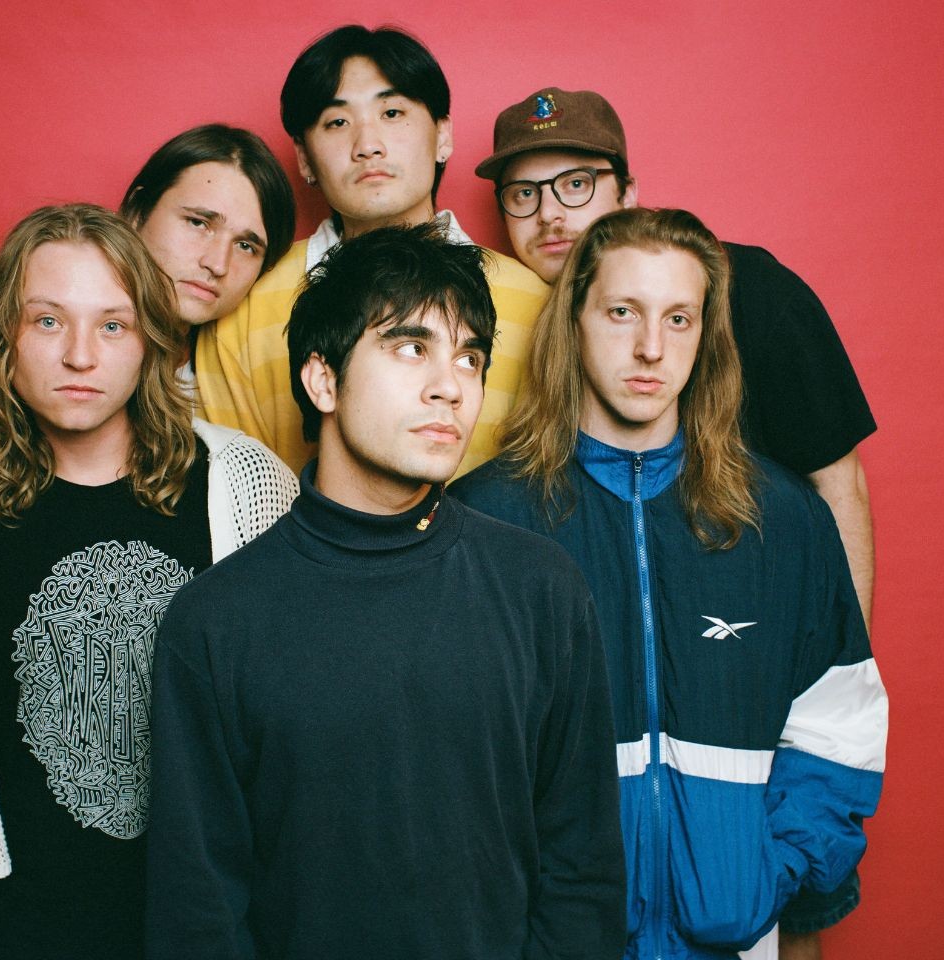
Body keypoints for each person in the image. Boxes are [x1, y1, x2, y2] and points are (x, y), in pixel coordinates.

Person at [146, 223, 626, 959]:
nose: (452, 385)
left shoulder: (543, 590)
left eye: (471, 357)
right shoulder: (215, 622)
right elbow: (199, 910)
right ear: (323, 379)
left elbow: (583, 868)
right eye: (411, 347)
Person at [451, 208, 887, 960]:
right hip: (553, 940)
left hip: (732, 934)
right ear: (575, 322)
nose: (651, 348)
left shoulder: (782, 521)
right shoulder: (483, 521)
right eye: (622, 312)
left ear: (706, 337)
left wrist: (767, 873)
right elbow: (447, 755)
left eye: (679, 319)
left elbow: (839, 727)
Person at [0, 204, 297, 960]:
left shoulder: (244, 486)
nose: (80, 355)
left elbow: (305, 735)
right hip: (36, 929)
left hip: (220, 927)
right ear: (2, 340)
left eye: (112, 325)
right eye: (47, 322)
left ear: (150, 344)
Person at [475, 88, 876, 637]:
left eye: (576, 185)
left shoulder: (753, 289)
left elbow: (837, 481)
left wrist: (845, 662)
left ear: (628, 193)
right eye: (523, 193)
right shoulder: (504, 311)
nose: (550, 214)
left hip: (741, 616)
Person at [191, 24, 549, 477]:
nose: (368, 146)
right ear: (303, 158)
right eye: (338, 122)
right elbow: (233, 492)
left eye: (393, 113)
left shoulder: (537, 304)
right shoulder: (245, 305)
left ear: (442, 136)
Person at [0, 124, 296, 475]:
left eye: (246, 245)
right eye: (198, 223)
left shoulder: (245, 374)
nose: (217, 263)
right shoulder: (6, 348)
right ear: (137, 211)